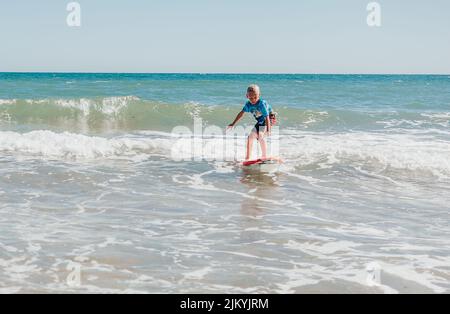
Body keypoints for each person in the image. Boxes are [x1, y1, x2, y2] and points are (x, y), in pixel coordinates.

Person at [227, 84, 276, 161]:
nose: (253, 100)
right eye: (251, 98)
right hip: (260, 121)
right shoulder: (248, 104)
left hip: (269, 118)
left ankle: (264, 156)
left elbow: (266, 117)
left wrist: (268, 130)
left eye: (255, 97)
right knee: (250, 137)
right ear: (247, 96)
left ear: (259, 95)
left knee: (260, 136)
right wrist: (233, 123)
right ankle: (248, 157)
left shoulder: (261, 104)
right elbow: (241, 113)